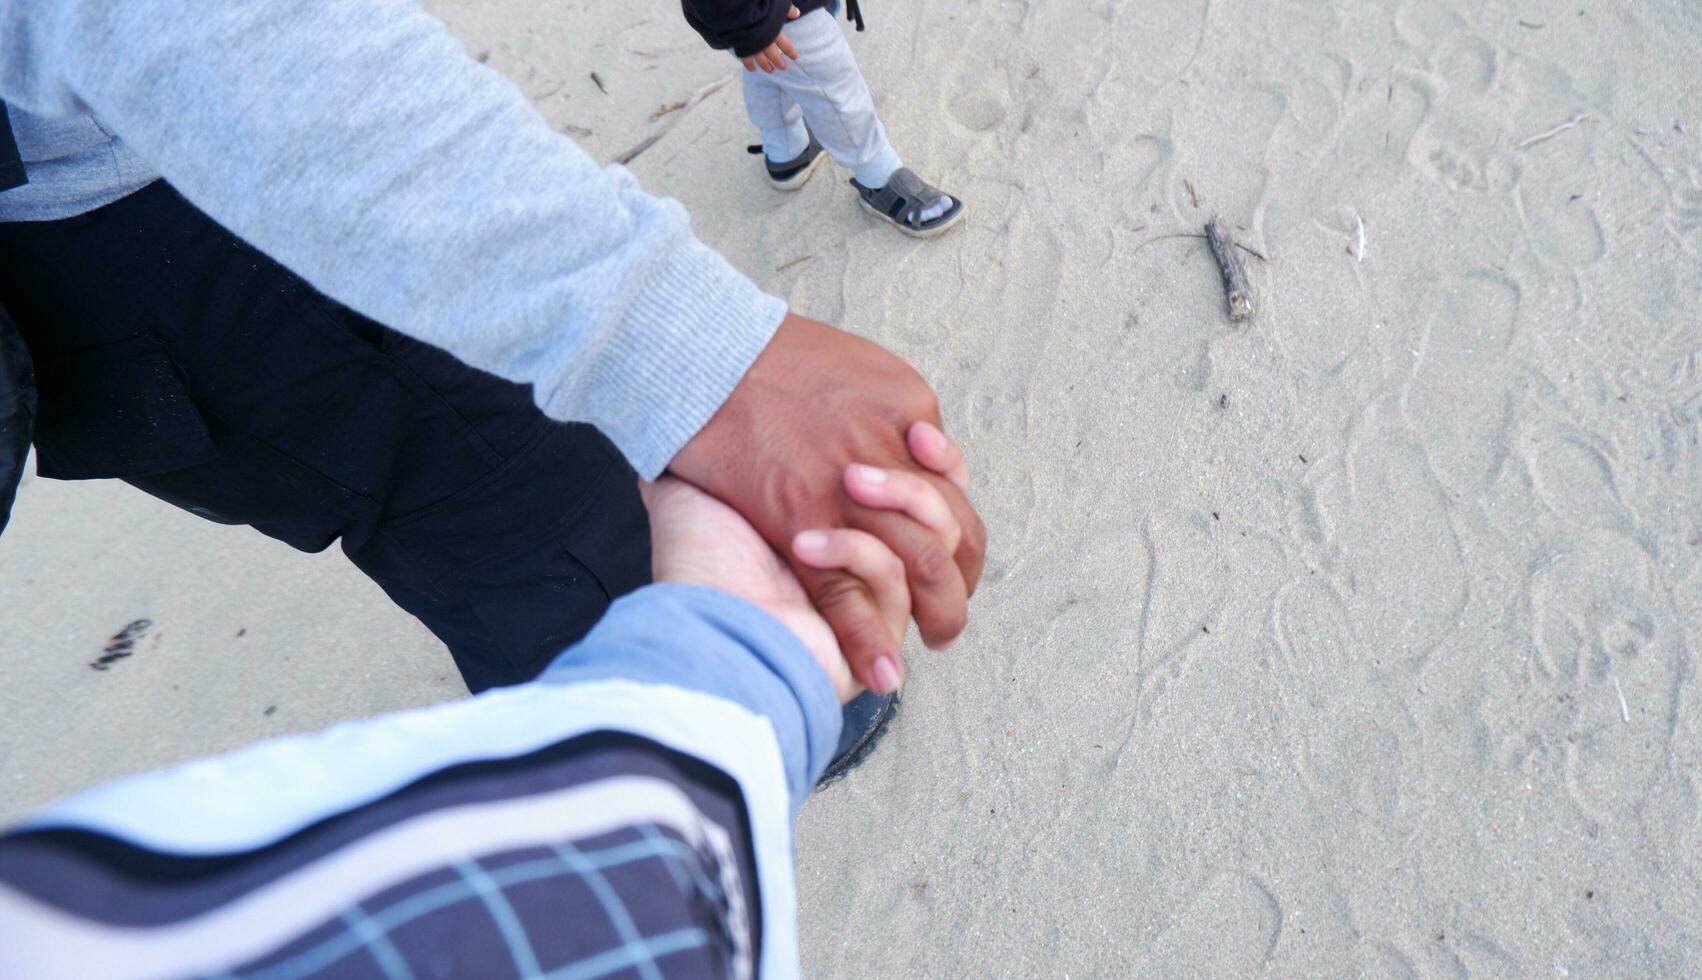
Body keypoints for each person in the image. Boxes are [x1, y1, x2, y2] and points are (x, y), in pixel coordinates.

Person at [0, 0, 985, 768]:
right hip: (171, 192)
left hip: (88, 260)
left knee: (444, 517)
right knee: (526, 504)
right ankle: (702, 724)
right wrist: (674, 337)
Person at [0, 428, 972, 978]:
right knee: (530, 530)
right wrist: (740, 664)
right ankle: (767, 718)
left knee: (457, 540)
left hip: (185, 367)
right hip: (282, 347)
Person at [683, 0, 966, 238]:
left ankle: (787, 150)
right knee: (832, 85)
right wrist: (746, 18)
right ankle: (878, 175)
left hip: (754, 12)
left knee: (770, 68)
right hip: (758, 9)